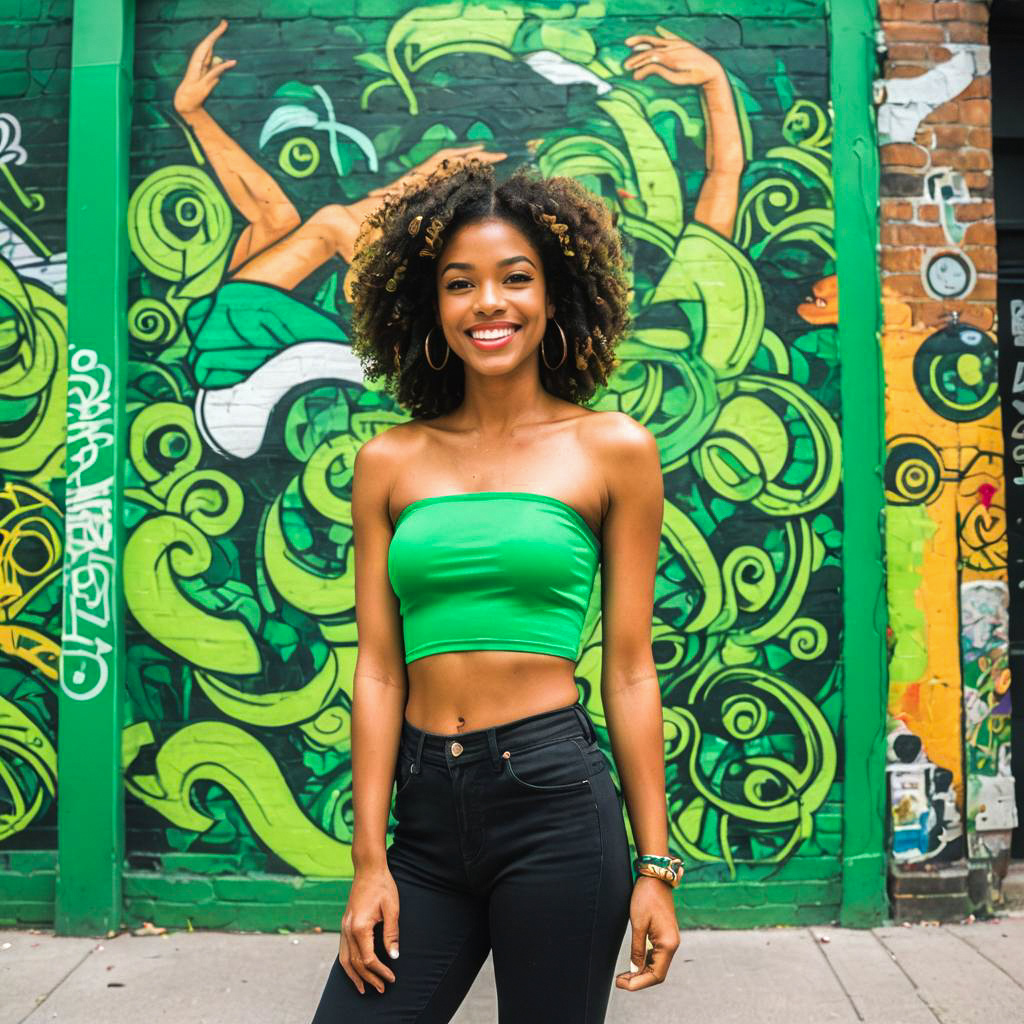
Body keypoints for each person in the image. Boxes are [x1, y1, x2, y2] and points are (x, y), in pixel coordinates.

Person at [310, 156, 680, 1024]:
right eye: (459, 284)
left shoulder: (612, 449)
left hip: (555, 803)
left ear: (554, 298)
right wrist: (371, 862)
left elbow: (630, 671)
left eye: (516, 279)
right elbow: (377, 672)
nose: (489, 304)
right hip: (427, 818)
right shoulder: (388, 463)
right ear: (429, 309)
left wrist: (657, 869)